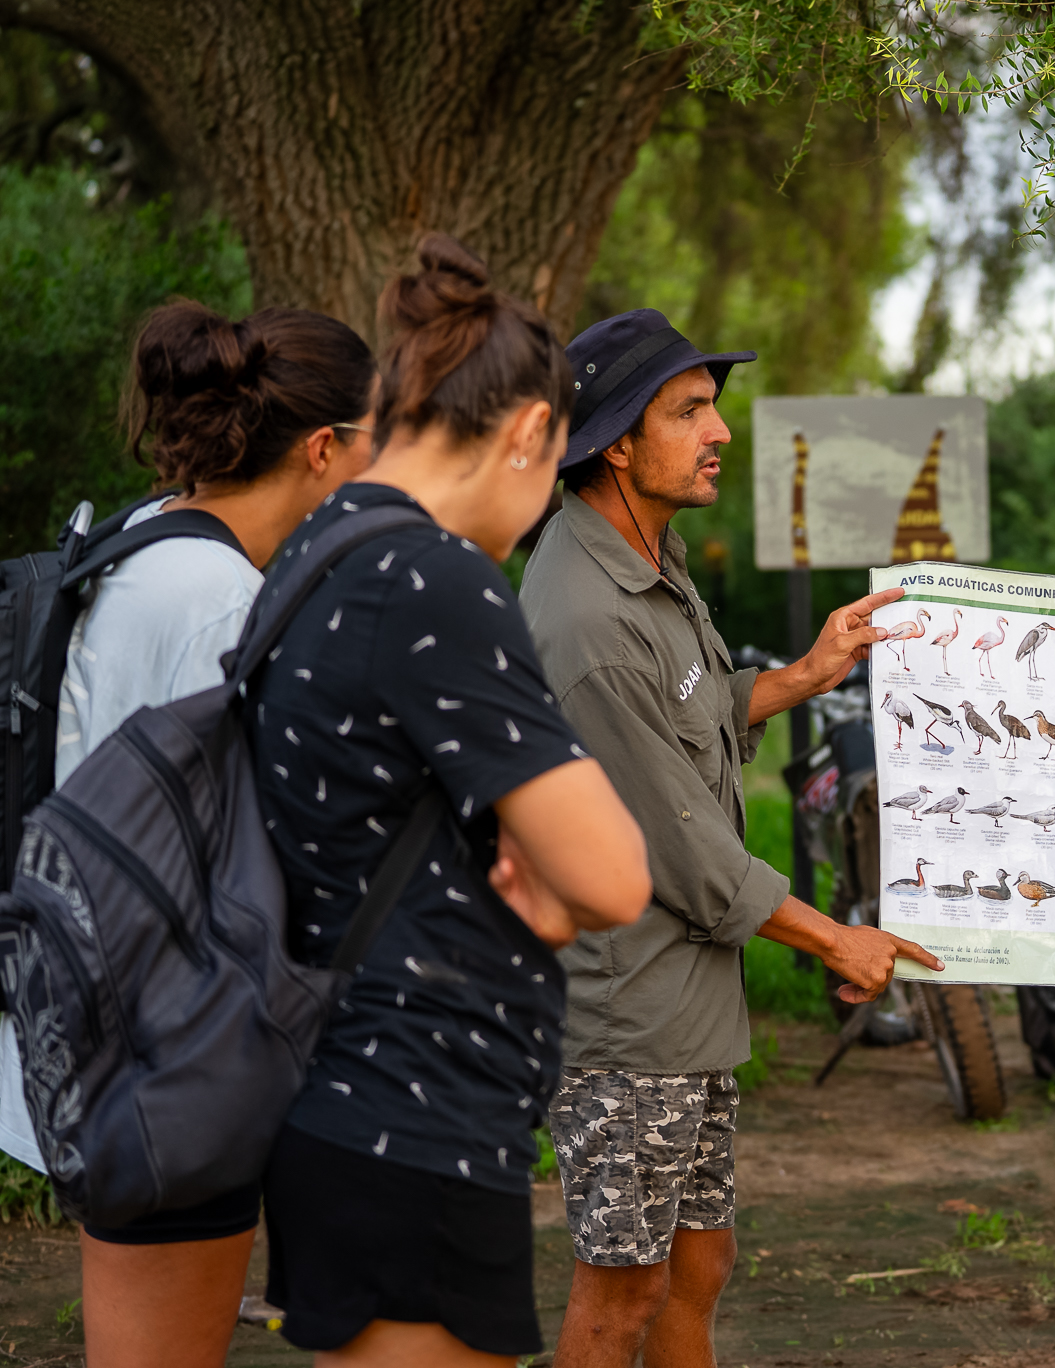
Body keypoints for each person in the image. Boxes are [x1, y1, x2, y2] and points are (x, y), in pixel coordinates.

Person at [250, 235, 652, 1367]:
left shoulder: (318, 547)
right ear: (529, 431)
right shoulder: (433, 576)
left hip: (339, 1098)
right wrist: (556, 885)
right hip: (414, 1112)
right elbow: (612, 874)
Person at [519, 308, 942, 1368]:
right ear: (617, 440)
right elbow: (685, 850)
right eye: (689, 412)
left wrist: (797, 678)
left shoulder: (642, 554)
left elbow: (690, 717)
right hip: (630, 1017)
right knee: (621, 1292)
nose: (719, 432)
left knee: (698, 1268)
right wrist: (835, 940)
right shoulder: (585, 616)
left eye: (714, 408)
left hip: (691, 1008)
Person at [2, 300, 382, 1368]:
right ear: (322, 450)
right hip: (171, 1049)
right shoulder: (225, 602)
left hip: (81, 999)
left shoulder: (130, 540)